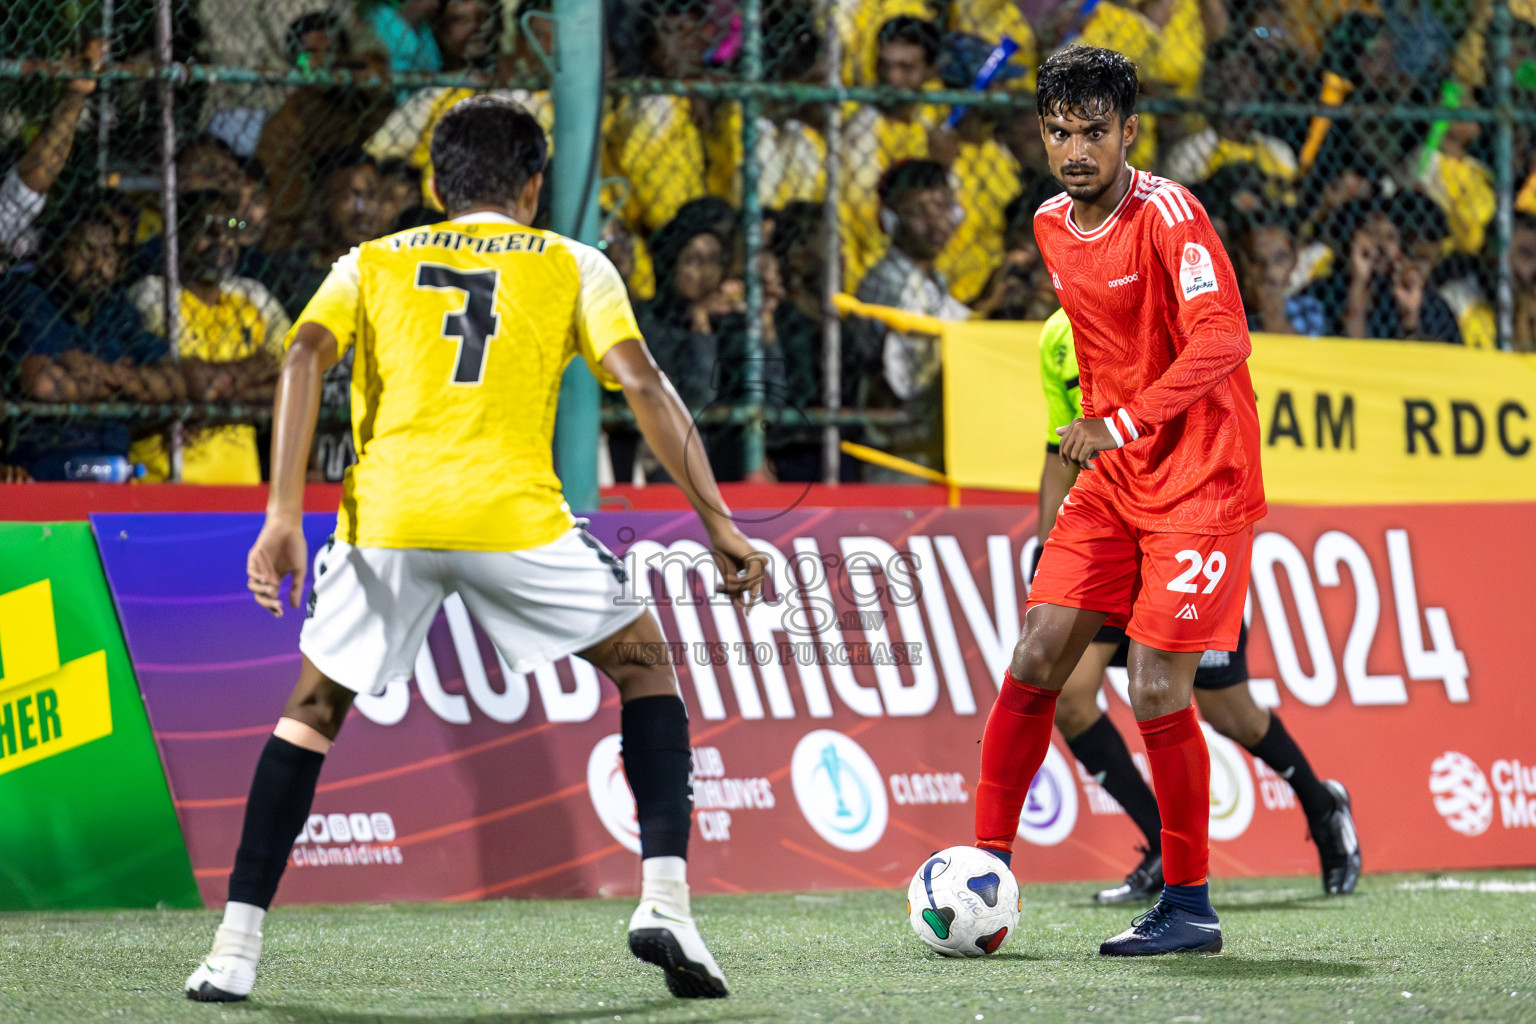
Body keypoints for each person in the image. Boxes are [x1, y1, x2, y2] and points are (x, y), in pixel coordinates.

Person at [182, 96, 763, 1004]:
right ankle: (666, 904)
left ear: (432, 184)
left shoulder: (371, 260)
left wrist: (282, 514)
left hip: (390, 521)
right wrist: (718, 520)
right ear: (535, 184)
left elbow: (301, 357)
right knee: (647, 666)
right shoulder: (576, 264)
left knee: (312, 710)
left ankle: (233, 950)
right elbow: (644, 386)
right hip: (515, 521)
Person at [970, 45, 1264, 957]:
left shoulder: (1170, 213)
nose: (1074, 149)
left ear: (1129, 133)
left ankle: (1189, 905)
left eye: (1093, 131)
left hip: (1200, 478)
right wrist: (1104, 442)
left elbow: (1225, 338)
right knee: (1037, 652)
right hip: (1115, 479)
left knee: (1153, 683)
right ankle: (984, 871)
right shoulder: (1051, 225)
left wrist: (1125, 423)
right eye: (1058, 132)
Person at [1033, 307, 1362, 903]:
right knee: (1071, 696)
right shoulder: (1057, 337)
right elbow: (1061, 446)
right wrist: (1046, 551)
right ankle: (1161, 847)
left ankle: (1323, 806)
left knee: (1227, 711)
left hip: (1184, 532)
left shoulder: (1185, 324)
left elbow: (1230, 426)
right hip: (1112, 534)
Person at [0, 198, 179, 478]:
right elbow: (44, 384)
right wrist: (132, 382)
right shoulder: (28, 297)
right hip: (45, 467)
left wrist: (97, 373)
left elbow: (173, 381)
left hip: (115, 467)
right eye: (86, 250)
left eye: (108, 253)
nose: (98, 264)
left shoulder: (115, 307)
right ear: (54, 253)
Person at [127, 191, 290, 483]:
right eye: (207, 230)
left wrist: (209, 404)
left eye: (230, 230)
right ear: (178, 237)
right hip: (166, 480)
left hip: (241, 482)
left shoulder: (253, 296)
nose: (221, 241)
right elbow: (179, 383)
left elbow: (295, 381)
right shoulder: (154, 295)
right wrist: (253, 373)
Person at [852, 159, 968, 478]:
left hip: (929, 436)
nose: (936, 223)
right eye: (919, 211)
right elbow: (913, 368)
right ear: (889, 220)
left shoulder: (933, 278)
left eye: (943, 207)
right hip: (897, 444)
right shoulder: (888, 281)